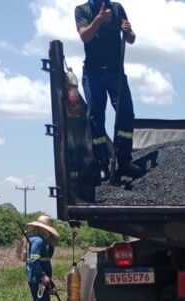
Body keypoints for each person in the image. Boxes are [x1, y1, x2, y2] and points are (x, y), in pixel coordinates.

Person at [75, 0, 141, 181]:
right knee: (95, 117)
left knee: (126, 114)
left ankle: (124, 160)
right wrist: (99, 20)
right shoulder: (82, 10)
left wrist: (128, 31)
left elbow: (131, 39)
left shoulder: (117, 8)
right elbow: (85, 37)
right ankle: (102, 164)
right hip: (93, 74)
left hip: (116, 73)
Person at [26, 215, 60, 301]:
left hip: (38, 277)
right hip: (38, 278)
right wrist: (42, 276)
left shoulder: (38, 240)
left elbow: (45, 258)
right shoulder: (38, 241)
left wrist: (51, 245)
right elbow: (34, 261)